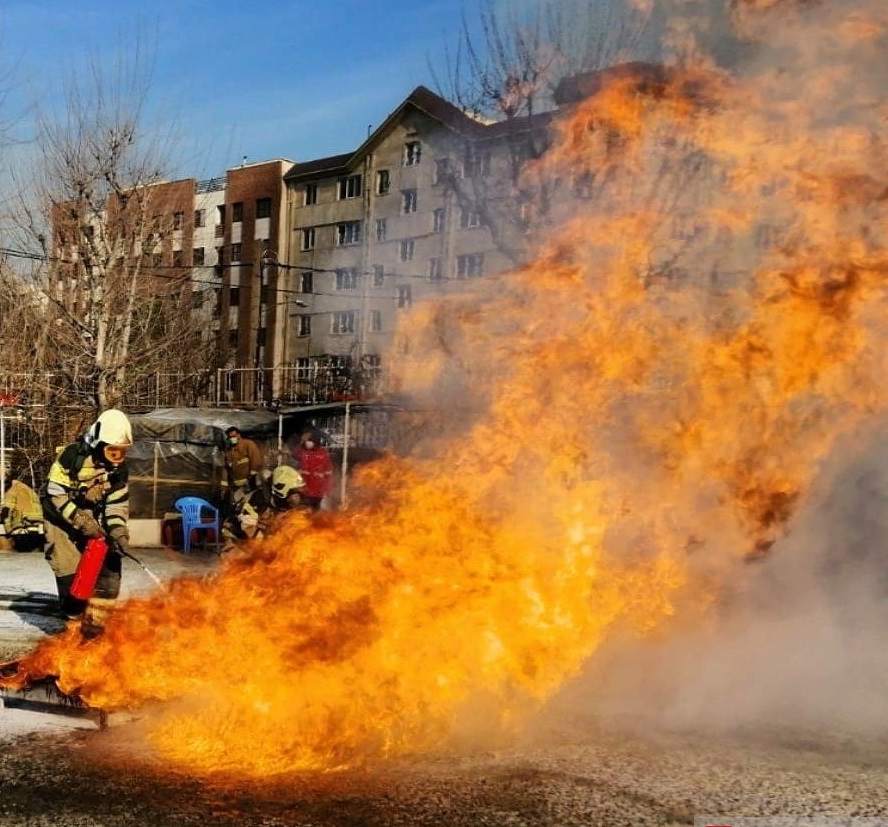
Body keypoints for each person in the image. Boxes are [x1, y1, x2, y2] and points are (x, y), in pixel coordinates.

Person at [41, 408, 133, 637]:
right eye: (113, 452)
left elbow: (116, 504)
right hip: (60, 518)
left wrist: (118, 531)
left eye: (122, 452)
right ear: (98, 443)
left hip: (91, 516)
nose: (117, 459)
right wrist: (81, 520)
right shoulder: (73, 456)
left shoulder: (118, 471)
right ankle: (73, 629)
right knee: (71, 575)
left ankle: (95, 632)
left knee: (110, 569)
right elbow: (55, 493)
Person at [221, 464, 306, 551]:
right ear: (281, 491)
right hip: (238, 540)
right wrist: (269, 547)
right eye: (294, 493)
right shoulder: (258, 499)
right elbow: (248, 527)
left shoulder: (281, 503)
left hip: (261, 538)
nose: (297, 498)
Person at [1, 467, 45, 552]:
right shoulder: (25, 487)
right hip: (36, 518)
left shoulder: (11, 491)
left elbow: (6, 511)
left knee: (22, 547)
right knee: (34, 544)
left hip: (22, 520)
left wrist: (8, 529)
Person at [220, 426, 265, 509]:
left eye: (233, 436)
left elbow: (256, 460)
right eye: (230, 437)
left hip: (250, 485)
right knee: (237, 508)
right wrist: (223, 488)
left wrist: (251, 479)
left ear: (239, 435)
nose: (232, 439)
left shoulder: (248, 445)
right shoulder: (229, 451)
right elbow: (225, 470)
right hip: (235, 486)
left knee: (251, 507)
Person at [291, 428, 333, 511]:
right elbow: (294, 453)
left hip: (317, 489)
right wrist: (301, 441)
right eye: (306, 441)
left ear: (315, 442)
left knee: (315, 511)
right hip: (303, 488)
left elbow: (328, 471)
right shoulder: (302, 451)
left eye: (309, 441)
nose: (307, 443)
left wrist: (327, 489)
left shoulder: (322, 452)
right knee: (302, 511)